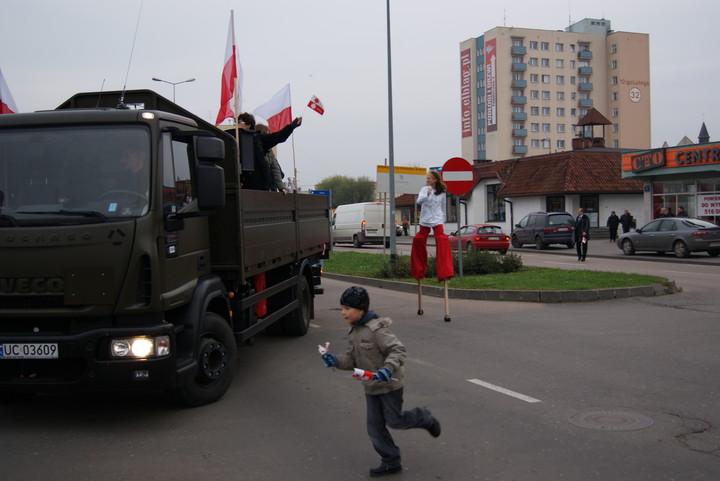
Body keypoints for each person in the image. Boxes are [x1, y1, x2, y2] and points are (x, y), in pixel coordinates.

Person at [321, 286, 441, 477]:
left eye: (347, 308)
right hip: (371, 385)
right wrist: (335, 360)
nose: (343, 312)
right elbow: (352, 360)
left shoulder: (377, 330)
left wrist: (387, 368)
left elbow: (398, 350)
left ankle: (423, 416)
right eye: (342, 308)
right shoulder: (354, 332)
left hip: (389, 384)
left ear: (360, 310)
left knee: (395, 420)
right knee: (374, 426)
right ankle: (391, 460)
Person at [237, 112, 301, 191]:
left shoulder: (258, 139)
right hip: (242, 187)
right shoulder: (234, 140)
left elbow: (278, 136)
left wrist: (291, 126)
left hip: (259, 186)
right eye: (236, 122)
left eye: (240, 122)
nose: (237, 125)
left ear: (248, 125)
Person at [410, 171, 454, 281]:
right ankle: (419, 269)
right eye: (427, 178)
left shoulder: (442, 192)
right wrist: (427, 194)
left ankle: (445, 271)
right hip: (425, 219)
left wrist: (442, 218)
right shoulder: (424, 189)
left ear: (435, 180)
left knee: (441, 239)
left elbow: (443, 206)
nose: (427, 180)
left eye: (429, 178)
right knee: (419, 238)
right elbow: (419, 201)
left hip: (437, 218)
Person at [255, 123, 287, 195]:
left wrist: (281, 187)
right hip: (256, 186)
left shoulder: (269, 151)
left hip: (269, 187)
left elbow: (275, 169)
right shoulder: (253, 147)